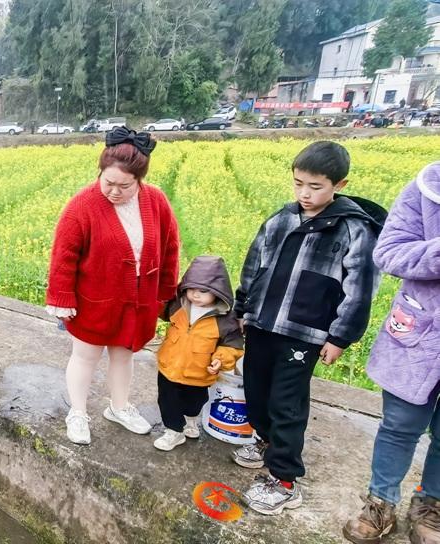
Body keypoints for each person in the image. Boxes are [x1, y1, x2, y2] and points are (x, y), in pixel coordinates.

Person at [233, 141, 383, 516]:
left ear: (339, 184)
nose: (305, 194)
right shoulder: (281, 219)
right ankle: (266, 441)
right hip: (263, 324)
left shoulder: (353, 229)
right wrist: (242, 308)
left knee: (287, 402)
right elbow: (253, 265)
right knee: (256, 389)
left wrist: (340, 336)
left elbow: (360, 288)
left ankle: (285, 480)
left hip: (305, 334)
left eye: (315, 187)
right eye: (299, 183)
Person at [45, 127, 180, 446]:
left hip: (138, 300)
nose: (115, 191)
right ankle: (78, 412)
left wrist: (165, 292)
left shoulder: (156, 200)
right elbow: (64, 255)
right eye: (109, 182)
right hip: (94, 299)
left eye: (125, 186)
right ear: (100, 172)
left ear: (139, 180)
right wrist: (62, 298)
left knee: (124, 355)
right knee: (85, 357)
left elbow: (170, 246)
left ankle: (119, 407)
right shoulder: (82, 205)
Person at [341, 164, 440, 544]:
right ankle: (381, 502)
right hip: (421, 335)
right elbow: (389, 252)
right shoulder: (428, 187)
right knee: (400, 424)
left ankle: (431, 505)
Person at [152, 256, 243, 452]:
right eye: (191, 288)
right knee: (167, 400)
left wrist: (220, 360)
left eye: (203, 291)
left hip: (199, 372)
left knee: (195, 402)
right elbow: (160, 309)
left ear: (218, 292)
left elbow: (232, 344)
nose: (195, 295)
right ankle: (174, 431)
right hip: (169, 367)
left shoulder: (224, 319)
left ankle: (190, 419)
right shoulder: (178, 305)